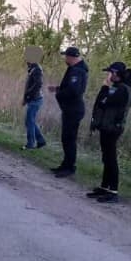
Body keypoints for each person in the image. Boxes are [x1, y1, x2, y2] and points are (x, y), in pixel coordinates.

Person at [86, 62, 131, 203]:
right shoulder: (117, 88)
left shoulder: (122, 90)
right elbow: (102, 102)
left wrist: (105, 86)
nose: (108, 75)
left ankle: (113, 191)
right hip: (106, 126)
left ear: (116, 74)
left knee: (111, 159)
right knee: (106, 158)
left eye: (110, 73)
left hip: (113, 128)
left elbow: (103, 102)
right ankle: (104, 187)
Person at [47, 46, 89, 178]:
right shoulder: (75, 69)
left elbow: (74, 91)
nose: (65, 59)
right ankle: (65, 164)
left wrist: (60, 93)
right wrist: (58, 88)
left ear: (71, 57)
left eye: (66, 56)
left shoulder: (78, 71)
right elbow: (70, 87)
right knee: (66, 138)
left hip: (74, 110)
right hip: (70, 109)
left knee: (69, 139)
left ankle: (70, 167)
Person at [21, 57, 47, 150]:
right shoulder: (32, 69)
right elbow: (30, 85)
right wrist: (25, 98)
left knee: (29, 121)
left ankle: (30, 144)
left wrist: (28, 96)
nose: (26, 60)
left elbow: (38, 84)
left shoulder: (37, 70)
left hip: (35, 99)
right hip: (33, 99)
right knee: (30, 121)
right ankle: (41, 141)